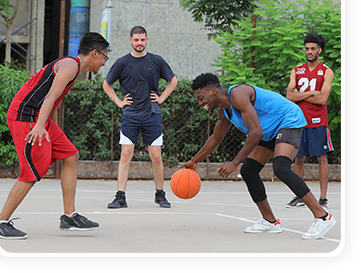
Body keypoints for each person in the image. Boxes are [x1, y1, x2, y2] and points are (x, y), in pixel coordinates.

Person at [180, 73, 336, 240]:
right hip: (270, 130)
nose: (200, 103)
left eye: (201, 98)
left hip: (287, 119)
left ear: (213, 91)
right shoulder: (223, 112)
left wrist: (234, 162)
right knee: (249, 170)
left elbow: (256, 132)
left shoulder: (238, 94)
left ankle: (323, 217)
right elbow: (216, 138)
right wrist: (194, 161)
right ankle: (270, 221)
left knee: (281, 167)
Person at [0, 32, 109, 239]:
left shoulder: (73, 67)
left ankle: (69, 216)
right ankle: (1, 222)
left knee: (70, 155)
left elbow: (52, 99)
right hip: (26, 116)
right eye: (105, 56)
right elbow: (50, 96)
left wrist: (49, 126)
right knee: (31, 172)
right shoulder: (71, 65)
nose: (104, 62)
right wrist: (40, 126)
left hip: (40, 117)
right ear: (95, 53)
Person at [103, 26, 177, 209]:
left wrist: (161, 98)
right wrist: (119, 102)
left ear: (147, 39)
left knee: (156, 157)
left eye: (142, 39)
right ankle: (120, 196)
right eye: (136, 40)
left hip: (152, 114)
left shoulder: (156, 60)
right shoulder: (122, 62)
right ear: (130, 40)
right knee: (126, 155)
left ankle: (160, 194)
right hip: (131, 115)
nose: (139, 43)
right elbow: (107, 84)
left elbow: (173, 80)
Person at [285, 32, 334, 208]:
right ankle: (300, 195)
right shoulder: (297, 70)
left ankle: (322, 198)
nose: (309, 51)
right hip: (299, 121)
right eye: (307, 48)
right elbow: (289, 95)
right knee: (298, 158)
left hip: (318, 121)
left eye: (313, 48)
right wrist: (312, 93)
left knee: (321, 158)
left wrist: (301, 96)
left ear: (319, 50)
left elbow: (322, 100)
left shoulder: (326, 72)